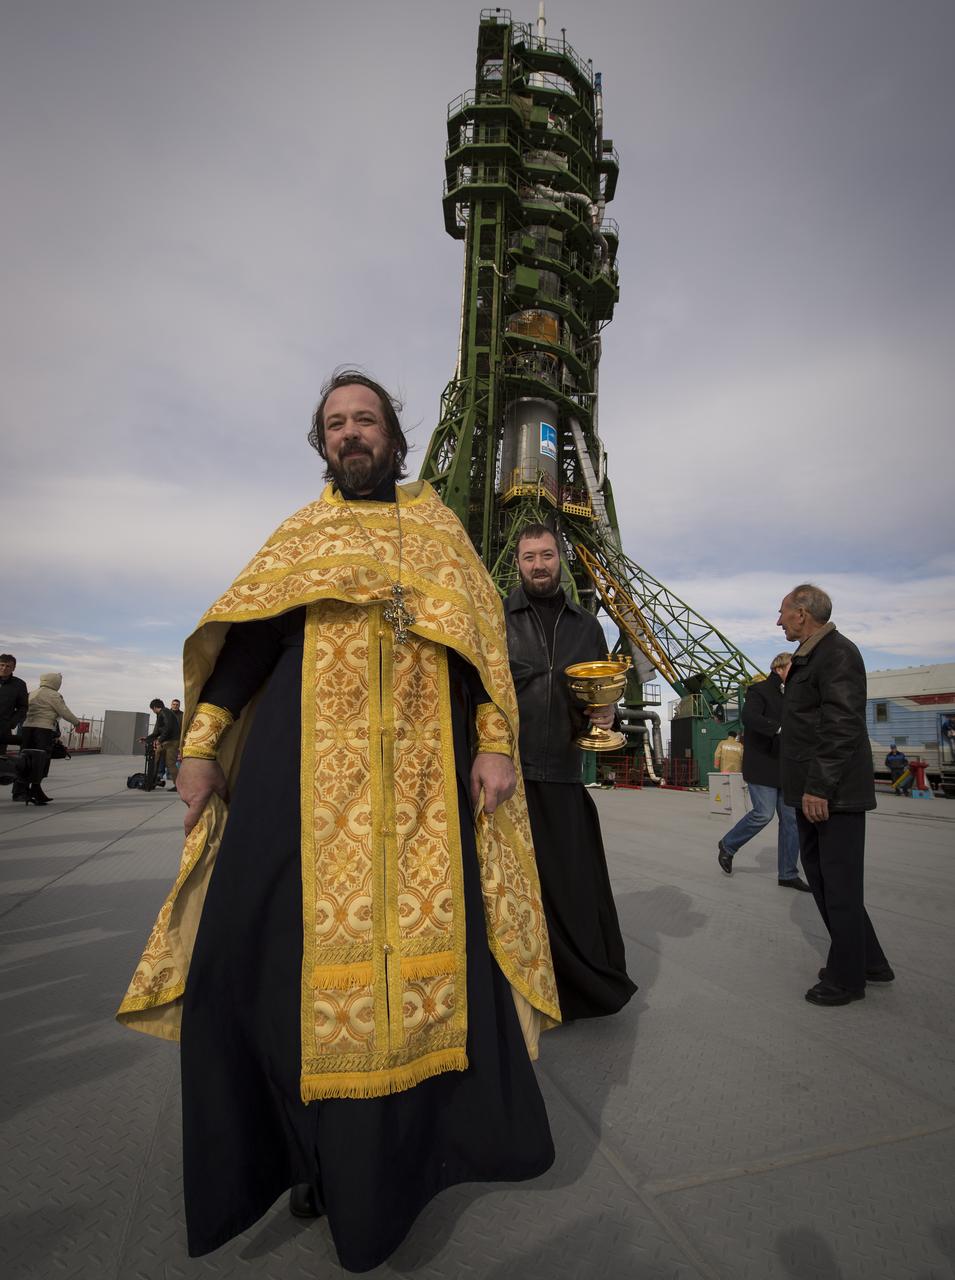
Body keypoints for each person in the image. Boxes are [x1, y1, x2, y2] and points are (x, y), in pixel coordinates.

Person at [117, 370, 559, 1273]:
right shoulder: (299, 535)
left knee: (435, 963)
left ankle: (404, 1160)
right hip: (297, 780)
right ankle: (298, 1153)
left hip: (426, 792)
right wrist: (200, 746)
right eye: (335, 424)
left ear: (396, 436)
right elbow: (245, 646)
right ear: (322, 445)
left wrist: (494, 742)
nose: (352, 434)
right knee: (264, 959)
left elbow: (480, 659)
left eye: (366, 419)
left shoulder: (442, 535)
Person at [504, 523, 637, 1021]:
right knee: (511, 886)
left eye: (546, 556)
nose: (538, 565)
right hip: (507, 771)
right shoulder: (498, 617)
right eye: (528, 557)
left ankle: (574, 989)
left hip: (561, 770)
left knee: (568, 886)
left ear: (561, 559)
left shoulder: (587, 627)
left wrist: (607, 715)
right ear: (516, 563)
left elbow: (601, 693)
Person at [777, 584, 894, 1006]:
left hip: (831, 794)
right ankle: (870, 961)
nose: (779, 620)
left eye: (783, 612)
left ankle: (847, 979)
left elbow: (842, 725)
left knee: (838, 886)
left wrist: (818, 787)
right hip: (817, 790)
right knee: (829, 884)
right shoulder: (813, 656)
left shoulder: (837, 654)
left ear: (803, 613)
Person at [717, 654, 810, 891]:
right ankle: (728, 845)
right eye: (792, 667)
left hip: (786, 766)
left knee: (791, 821)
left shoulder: (794, 693)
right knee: (763, 813)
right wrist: (777, 728)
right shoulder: (759, 690)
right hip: (763, 764)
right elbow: (749, 718)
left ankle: (788, 873)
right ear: (779, 668)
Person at [18, 673, 81, 804]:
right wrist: (76, 722)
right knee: (41, 760)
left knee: (25, 759)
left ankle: (20, 791)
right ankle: (36, 789)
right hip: (43, 730)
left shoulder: (32, 693)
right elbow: (63, 711)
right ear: (55, 682)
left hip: (27, 728)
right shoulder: (53, 695)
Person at [143, 698, 180, 786]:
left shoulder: (165, 713)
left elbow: (168, 728)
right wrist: (147, 739)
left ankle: (179, 785)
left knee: (170, 764)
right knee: (156, 758)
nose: (153, 711)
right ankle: (153, 780)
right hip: (166, 741)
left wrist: (160, 740)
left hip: (171, 742)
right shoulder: (162, 714)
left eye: (152, 709)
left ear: (155, 707)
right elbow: (157, 731)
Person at [0, 653, 29, 752]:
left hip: (2, 730)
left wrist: (11, 723)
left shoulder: (19, 685)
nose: (4, 668)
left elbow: (23, 707)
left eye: (8, 666)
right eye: (2, 665)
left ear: (13, 668)